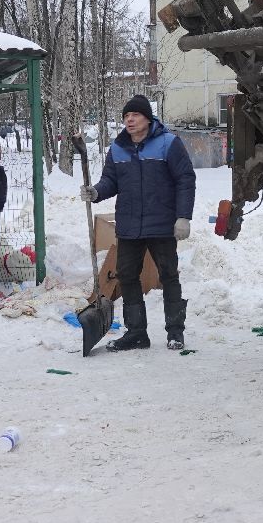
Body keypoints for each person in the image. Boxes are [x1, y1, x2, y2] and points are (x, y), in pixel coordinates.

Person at [82, 95, 196, 351]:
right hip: (130, 225)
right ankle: (136, 333)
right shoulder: (118, 148)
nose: (129, 120)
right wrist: (96, 192)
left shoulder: (168, 143)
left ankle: (175, 332)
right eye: (126, 116)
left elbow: (185, 180)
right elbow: (111, 181)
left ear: (148, 118)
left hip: (162, 223)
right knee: (127, 276)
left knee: (168, 275)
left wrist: (183, 217)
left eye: (135, 115)